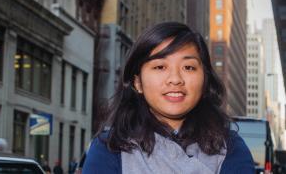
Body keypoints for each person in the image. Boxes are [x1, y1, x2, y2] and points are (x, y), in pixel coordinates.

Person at [82, 22, 255, 174]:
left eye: (188, 67)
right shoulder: (109, 148)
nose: (175, 79)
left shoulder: (231, 147)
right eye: (160, 67)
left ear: (205, 80)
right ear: (137, 83)